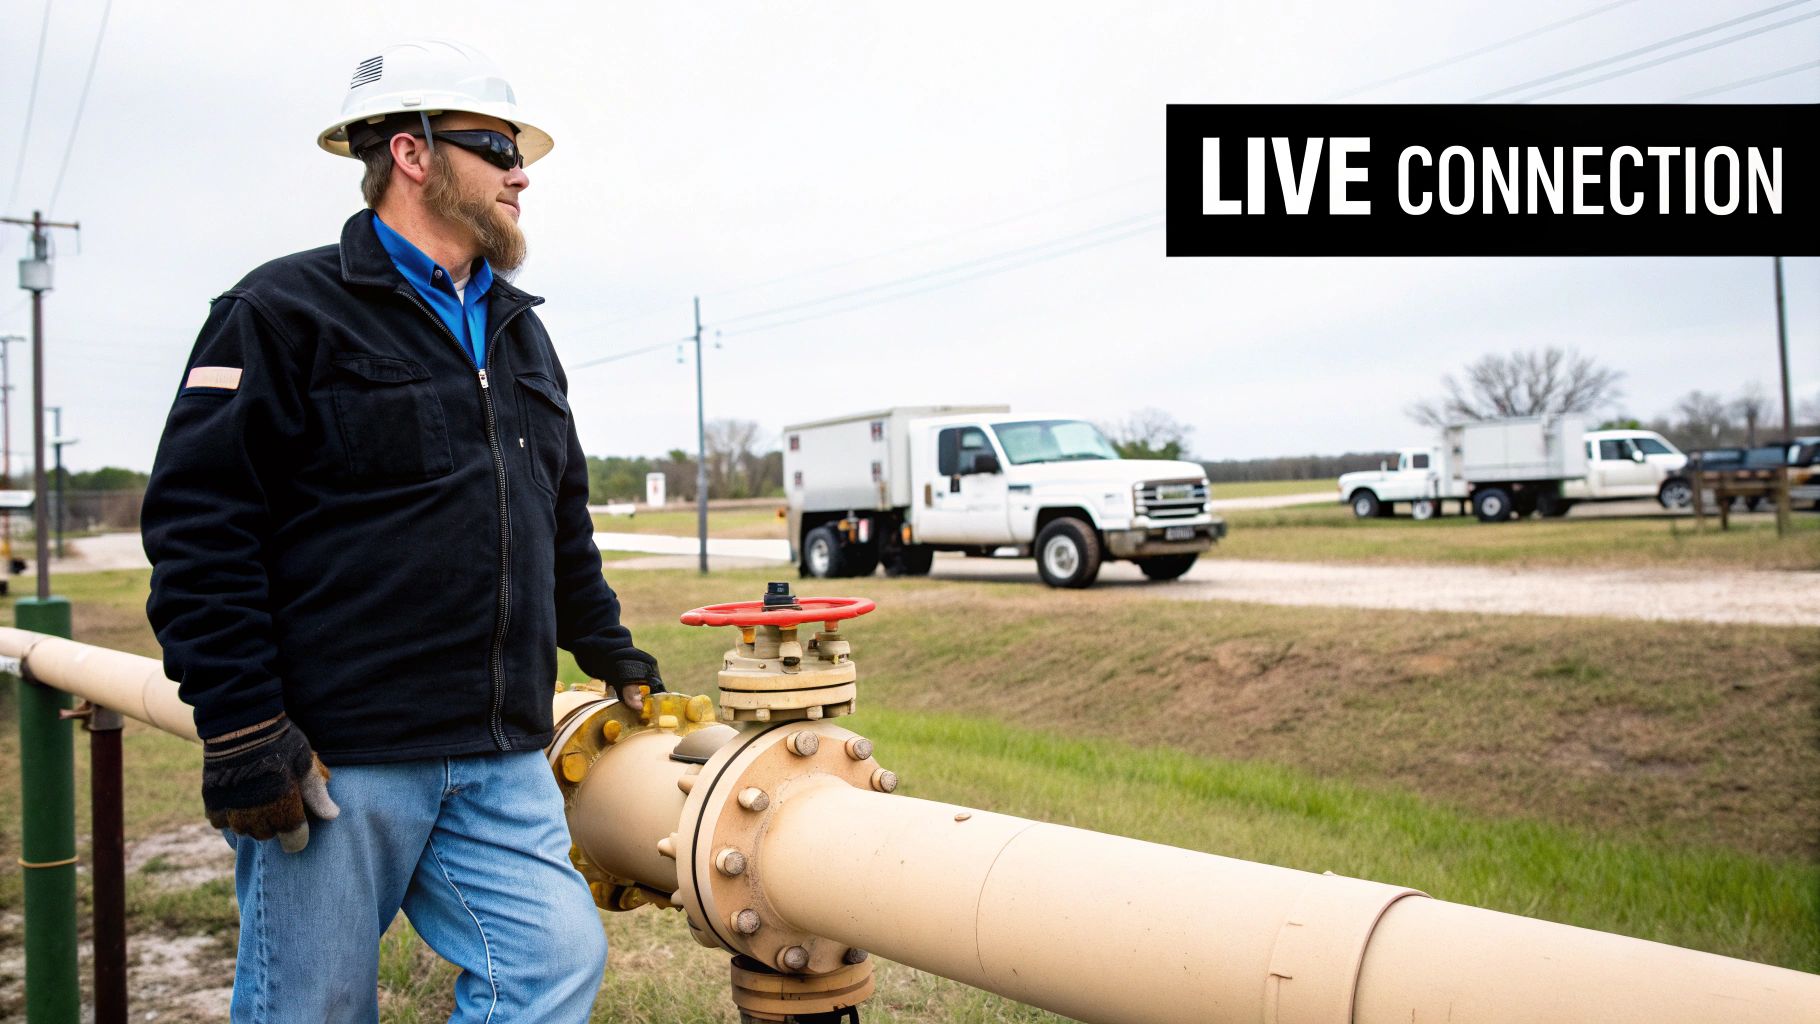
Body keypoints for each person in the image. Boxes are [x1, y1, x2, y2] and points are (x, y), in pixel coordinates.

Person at [141, 39, 654, 1022]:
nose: (520, 170)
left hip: (501, 751)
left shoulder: (518, 330)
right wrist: (246, 731)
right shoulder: (282, 313)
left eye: (521, 151)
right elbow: (201, 526)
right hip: (344, 758)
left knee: (551, 967)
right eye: (495, 144)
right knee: (313, 1008)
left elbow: (558, 513)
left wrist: (608, 646)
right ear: (411, 153)